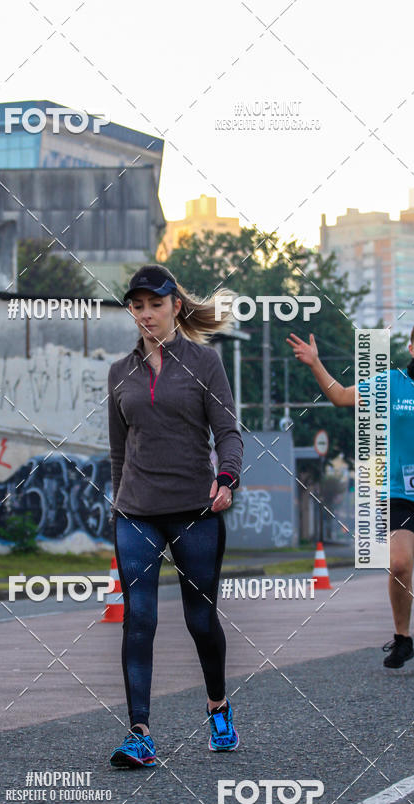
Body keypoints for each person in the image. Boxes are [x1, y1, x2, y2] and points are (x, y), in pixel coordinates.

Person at [107, 264, 244, 767]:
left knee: (200, 619)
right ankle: (140, 733)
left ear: (175, 308)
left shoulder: (204, 362)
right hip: (137, 513)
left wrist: (227, 477)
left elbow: (228, 432)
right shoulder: (119, 372)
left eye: (155, 305)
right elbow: (119, 451)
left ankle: (218, 706)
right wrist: (117, 505)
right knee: (138, 619)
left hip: (195, 509)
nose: (146, 314)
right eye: (137, 305)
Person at [287, 320, 414, 674]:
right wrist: (315, 363)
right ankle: (403, 639)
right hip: (400, 493)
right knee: (398, 564)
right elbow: (340, 397)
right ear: (411, 347)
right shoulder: (392, 383)